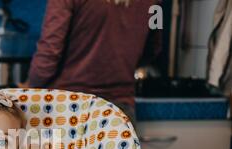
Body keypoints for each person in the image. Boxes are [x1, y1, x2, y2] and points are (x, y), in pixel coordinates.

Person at [23, 0, 162, 123]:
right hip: (118, 113)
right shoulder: (156, 5)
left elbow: (49, 52)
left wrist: (30, 87)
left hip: (68, 109)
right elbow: (154, 48)